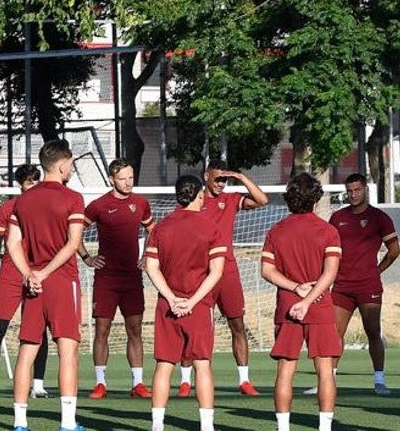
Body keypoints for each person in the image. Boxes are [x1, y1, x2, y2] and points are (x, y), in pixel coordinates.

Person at [6, 139, 89, 431]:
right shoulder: (72, 198)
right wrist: (42, 274)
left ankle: (19, 422)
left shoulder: (23, 199)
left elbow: (12, 243)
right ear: (63, 165)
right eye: (71, 164)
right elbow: (73, 243)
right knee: (68, 351)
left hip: (33, 285)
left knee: (27, 350)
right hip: (61, 282)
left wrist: (30, 273)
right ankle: (67, 423)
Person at [177, 159, 269, 397]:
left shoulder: (230, 200)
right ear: (206, 176)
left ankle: (244, 380)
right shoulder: (193, 200)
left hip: (226, 271)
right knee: (193, 326)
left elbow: (262, 200)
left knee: (237, 324)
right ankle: (186, 381)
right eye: (218, 178)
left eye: (225, 179)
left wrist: (241, 177)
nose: (222, 183)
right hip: (199, 272)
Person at [261, 173, 342, 431]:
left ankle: (283, 428)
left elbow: (267, 271)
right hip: (318, 305)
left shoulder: (277, 231)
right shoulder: (328, 231)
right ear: (316, 199)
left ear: (289, 199)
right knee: (325, 370)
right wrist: (308, 299)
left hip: (287, 306)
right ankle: (325, 427)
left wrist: (296, 289)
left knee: (285, 371)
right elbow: (330, 273)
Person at [145, 175, 226, 431]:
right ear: (199, 195)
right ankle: (206, 426)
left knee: (164, 365)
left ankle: (157, 425)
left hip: (167, 306)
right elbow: (216, 271)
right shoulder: (211, 227)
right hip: (198, 306)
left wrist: (170, 298)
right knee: (203, 365)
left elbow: (151, 267)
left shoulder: (161, 227)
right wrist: (191, 301)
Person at [319, 172, 399, 395]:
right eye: (350, 190)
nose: (353, 194)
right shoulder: (338, 217)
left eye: (357, 190)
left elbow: (395, 251)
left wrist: (377, 270)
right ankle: (329, 379)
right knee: (334, 333)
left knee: (373, 331)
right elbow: (328, 249)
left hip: (368, 286)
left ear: (365, 190)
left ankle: (379, 379)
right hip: (342, 286)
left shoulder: (380, 218)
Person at [81, 159, 155, 399]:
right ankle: (101, 383)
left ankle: (138, 383)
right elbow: (73, 232)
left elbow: (153, 231)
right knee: (102, 330)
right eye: (123, 178)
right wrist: (86, 258)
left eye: (131, 177)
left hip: (132, 279)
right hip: (106, 279)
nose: (128, 182)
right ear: (111, 179)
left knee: (135, 330)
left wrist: (147, 257)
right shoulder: (98, 205)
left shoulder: (141, 203)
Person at [0, 163, 51, 400]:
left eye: (35, 181)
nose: (32, 186)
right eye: (29, 182)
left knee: (38, 331)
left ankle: (38, 384)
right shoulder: (7, 209)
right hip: (10, 274)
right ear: (20, 185)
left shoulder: (45, 208)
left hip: (37, 272)